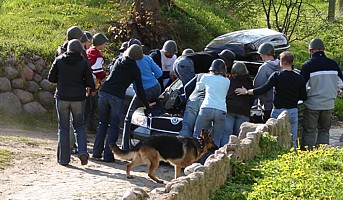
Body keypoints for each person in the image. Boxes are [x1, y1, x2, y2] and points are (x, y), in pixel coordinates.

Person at [235, 51, 307, 150]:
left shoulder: (277, 76)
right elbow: (304, 96)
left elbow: (263, 88)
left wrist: (247, 92)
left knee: (273, 137)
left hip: (278, 111)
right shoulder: (299, 78)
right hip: (292, 110)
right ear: (292, 62)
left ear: (282, 62)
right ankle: (292, 156)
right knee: (292, 139)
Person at [92, 44, 150, 162]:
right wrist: (147, 104)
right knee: (114, 126)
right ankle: (108, 155)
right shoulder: (135, 69)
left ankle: (96, 152)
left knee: (103, 123)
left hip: (104, 92)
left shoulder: (119, 61)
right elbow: (139, 89)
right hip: (117, 97)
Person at [48, 39, 95, 166]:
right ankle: (83, 152)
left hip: (62, 96)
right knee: (79, 126)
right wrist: (86, 86)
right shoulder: (83, 63)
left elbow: (51, 78)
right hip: (78, 98)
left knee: (63, 128)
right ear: (80, 50)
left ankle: (63, 159)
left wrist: (62, 80)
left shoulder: (59, 60)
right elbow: (90, 82)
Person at [300, 38, 343, 150]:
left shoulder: (308, 65)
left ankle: (308, 155)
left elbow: (302, 86)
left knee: (310, 130)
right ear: (323, 50)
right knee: (324, 130)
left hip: (312, 104)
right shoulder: (333, 64)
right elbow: (341, 83)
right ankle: (322, 154)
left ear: (311, 50)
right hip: (329, 104)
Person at [121, 38, 163, 151]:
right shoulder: (147, 58)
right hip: (156, 87)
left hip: (142, 91)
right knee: (153, 114)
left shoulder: (128, 61)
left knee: (128, 118)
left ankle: (125, 148)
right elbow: (159, 73)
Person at [193, 59, 230, 148]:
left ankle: (195, 158)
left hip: (207, 107)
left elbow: (199, 88)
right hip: (221, 110)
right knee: (216, 138)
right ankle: (213, 159)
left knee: (197, 135)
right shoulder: (227, 81)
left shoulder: (206, 77)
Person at [221, 62, 254, 146]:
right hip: (243, 111)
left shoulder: (229, 80)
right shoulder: (249, 82)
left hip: (230, 109)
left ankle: (223, 152)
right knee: (240, 136)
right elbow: (252, 98)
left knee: (226, 133)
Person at [253, 42, 281, 122]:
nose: (260, 56)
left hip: (267, 105)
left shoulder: (264, 68)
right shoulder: (282, 65)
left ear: (264, 54)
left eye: (261, 54)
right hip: (280, 104)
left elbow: (258, 85)